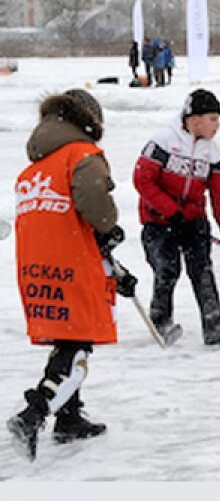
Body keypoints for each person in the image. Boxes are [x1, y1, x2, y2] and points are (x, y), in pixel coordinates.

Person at [7, 89, 137, 462]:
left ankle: (68, 416)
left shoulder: (34, 169)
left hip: (36, 265)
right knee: (77, 342)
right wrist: (109, 227)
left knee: (66, 332)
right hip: (72, 261)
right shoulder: (82, 156)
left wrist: (116, 269)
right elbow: (95, 203)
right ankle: (34, 413)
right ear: (88, 121)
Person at [132, 89, 220, 345]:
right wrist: (171, 212)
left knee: (202, 270)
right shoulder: (162, 141)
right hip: (158, 221)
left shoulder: (214, 153)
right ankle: (160, 320)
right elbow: (143, 181)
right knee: (167, 269)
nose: (218, 125)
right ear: (194, 119)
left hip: (193, 222)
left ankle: (214, 324)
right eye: (213, 118)